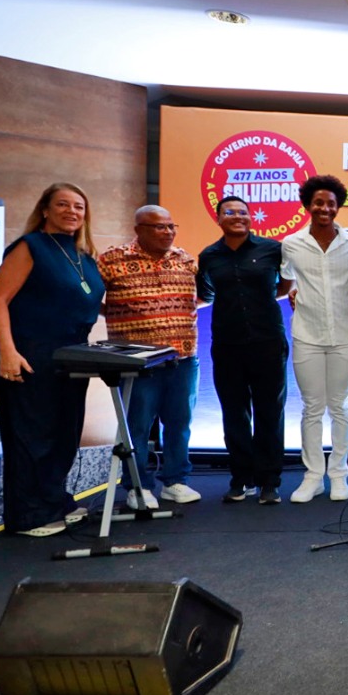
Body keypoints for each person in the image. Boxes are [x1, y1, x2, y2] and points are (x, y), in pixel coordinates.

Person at [0, 183, 105, 536]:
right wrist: (8, 351)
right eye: (63, 205)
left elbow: (84, 300)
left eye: (79, 206)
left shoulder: (84, 256)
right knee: (32, 437)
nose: (72, 211)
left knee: (63, 435)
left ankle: (54, 502)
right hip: (29, 353)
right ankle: (29, 516)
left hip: (72, 356)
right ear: (45, 210)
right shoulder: (31, 246)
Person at [97, 204, 202, 509]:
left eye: (171, 226)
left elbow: (200, 297)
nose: (167, 232)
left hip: (182, 358)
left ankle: (176, 481)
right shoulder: (112, 260)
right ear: (138, 230)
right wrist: (117, 313)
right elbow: (86, 297)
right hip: (138, 362)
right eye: (159, 227)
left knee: (179, 423)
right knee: (137, 426)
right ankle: (138, 486)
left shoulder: (185, 259)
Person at [197, 195, 292, 504]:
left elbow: (285, 285)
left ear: (251, 218)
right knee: (234, 413)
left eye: (243, 212)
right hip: (227, 344)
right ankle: (241, 478)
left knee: (270, 411)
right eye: (230, 212)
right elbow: (206, 292)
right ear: (218, 218)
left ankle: (269, 481)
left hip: (268, 341)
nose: (237, 216)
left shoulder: (273, 249)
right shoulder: (209, 255)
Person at [283, 175, 348, 503]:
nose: (325, 208)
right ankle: (313, 477)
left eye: (331, 203)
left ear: (338, 206)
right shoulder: (291, 243)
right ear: (308, 205)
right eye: (319, 202)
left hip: (345, 334)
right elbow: (287, 280)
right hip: (307, 334)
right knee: (312, 408)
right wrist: (293, 291)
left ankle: (339, 475)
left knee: (340, 407)